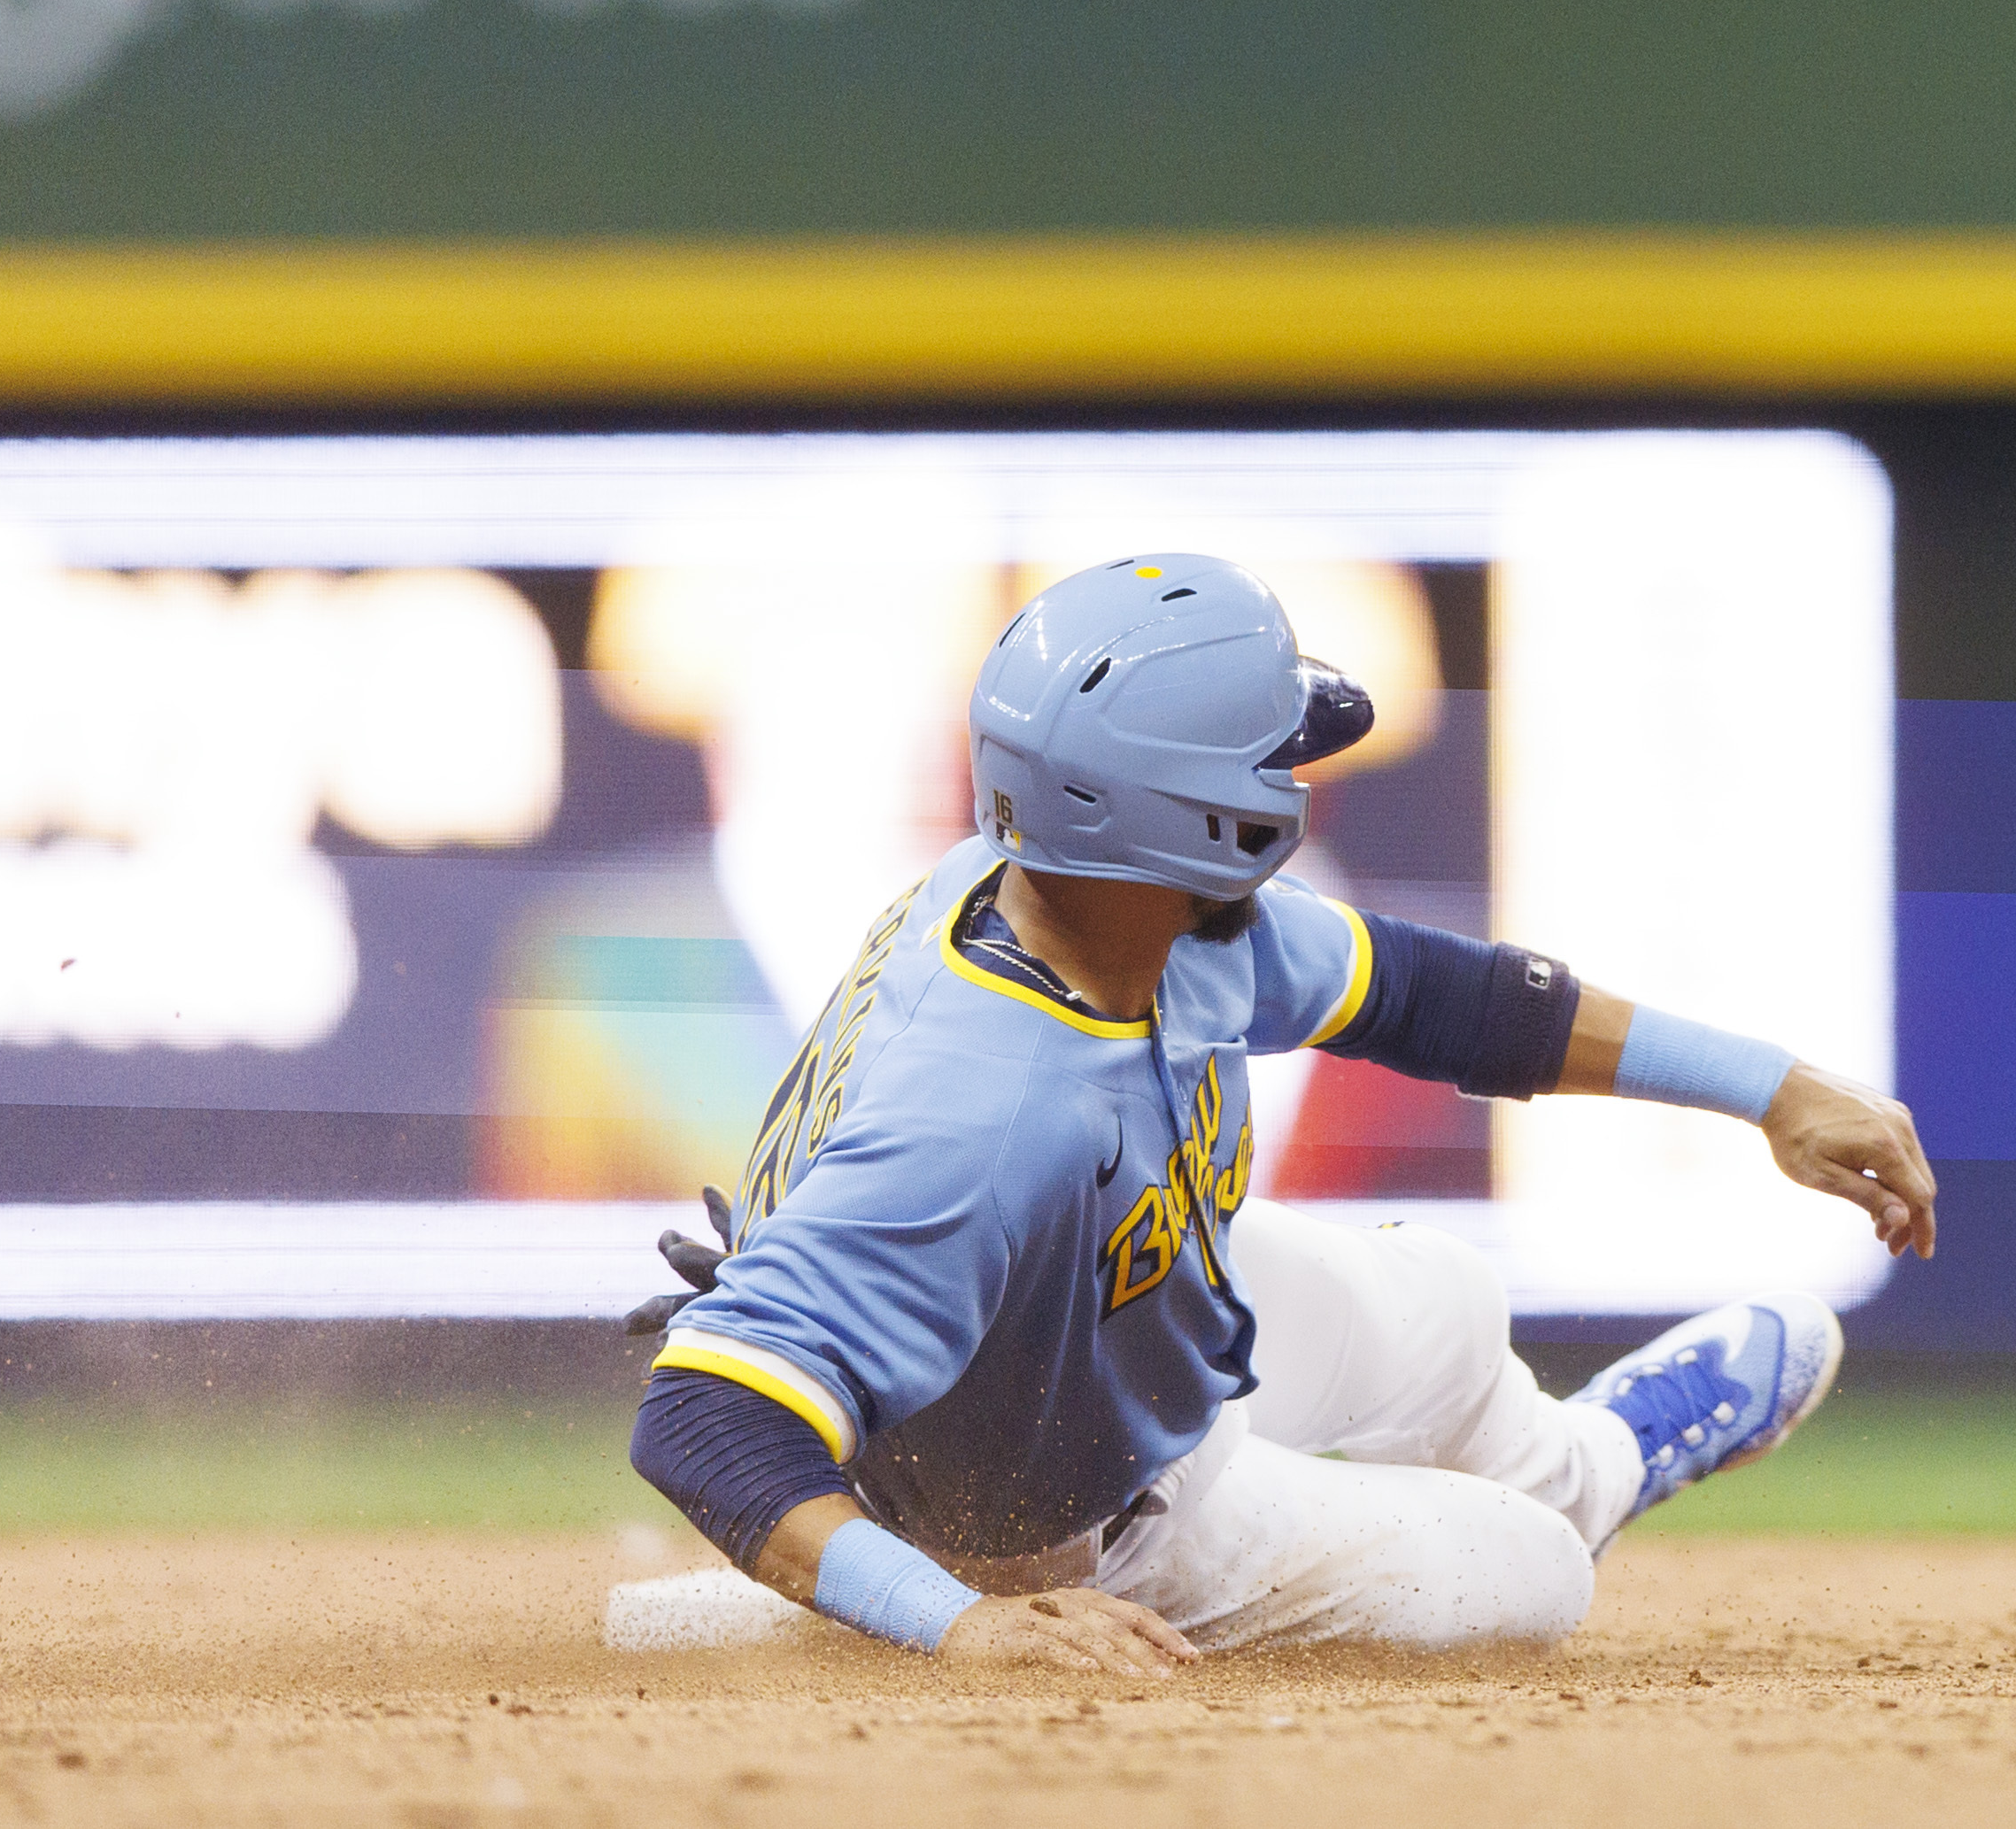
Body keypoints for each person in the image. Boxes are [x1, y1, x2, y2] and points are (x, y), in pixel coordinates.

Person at [611, 553, 1933, 1671]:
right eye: (1272, 753)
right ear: (1200, 817)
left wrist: (1773, 1089)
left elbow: (1444, 999)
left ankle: (1587, 1462)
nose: (1295, 768)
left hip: (1096, 1335)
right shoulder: (990, 1111)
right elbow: (702, 1418)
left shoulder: (1103, 898)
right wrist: (959, 1626)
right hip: (1045, 1512)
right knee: (1528, 1583)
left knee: (1449, 1301)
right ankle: (843, 1605)